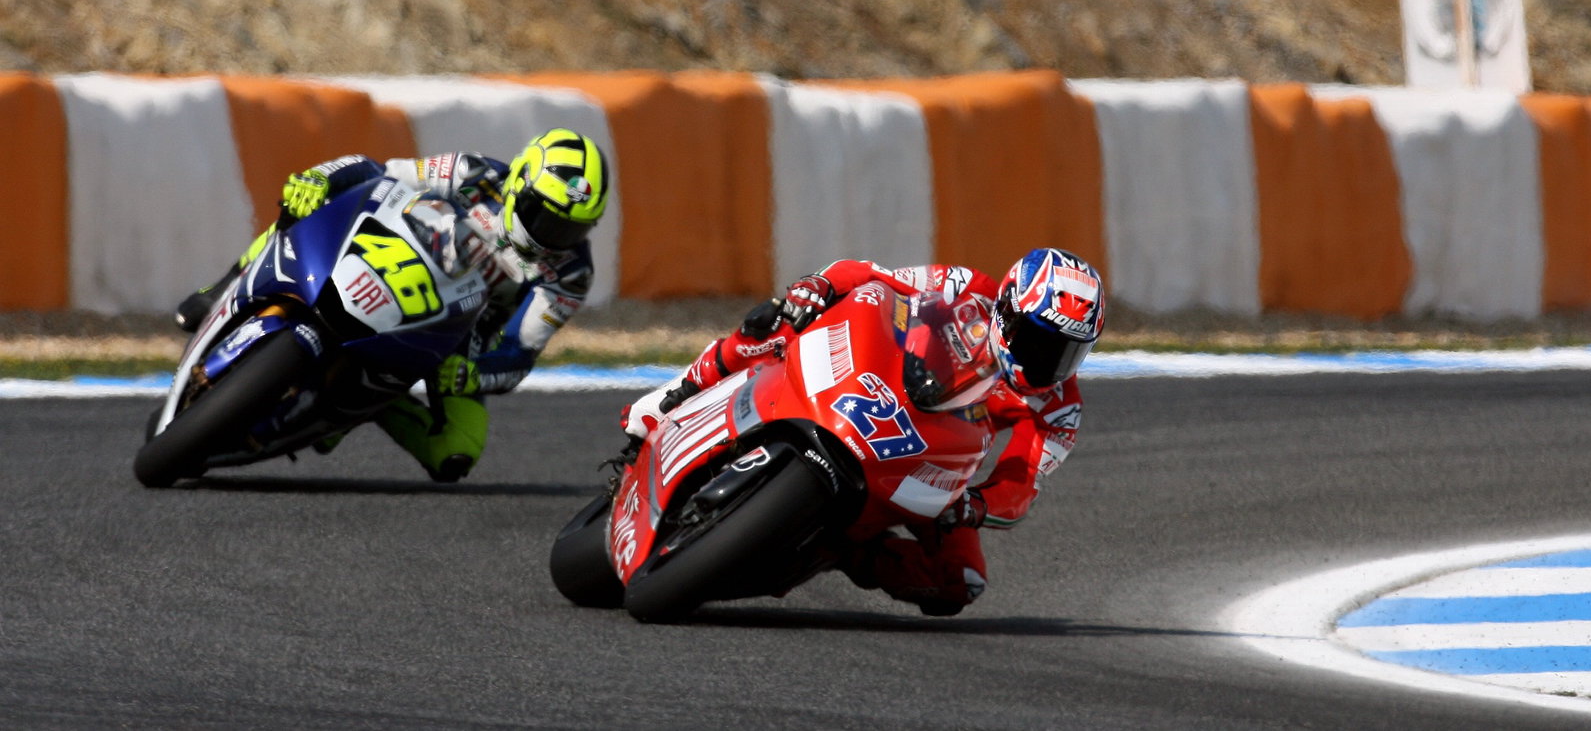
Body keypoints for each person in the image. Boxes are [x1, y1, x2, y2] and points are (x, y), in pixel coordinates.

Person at [620, 247, 1104, 616]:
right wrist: (818, 286)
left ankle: (846, 550)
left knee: (961, 583)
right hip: (877, 380)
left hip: (929, 454)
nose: (1049, 361)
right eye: (1040, 340)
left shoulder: (1059, 408)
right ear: (1007, 310)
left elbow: (1022, 483)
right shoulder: (964, 287)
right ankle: (677, 395)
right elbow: (872, 276)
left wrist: (975, 505)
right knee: (776, 321)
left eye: (1066, 351)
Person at [173, 128, 611, 483]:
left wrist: (473, 373)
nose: (553, 236)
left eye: (570, 228)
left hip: (453, 336)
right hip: (390, 261)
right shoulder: (472, 173)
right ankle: (229, 283)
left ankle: (376, 400)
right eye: (545, 215)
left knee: (456, 450)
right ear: (520, 184)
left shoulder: (571, 273)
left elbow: (520, 352)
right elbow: (380, 175)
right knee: (306, 202)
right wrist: (324, 178)